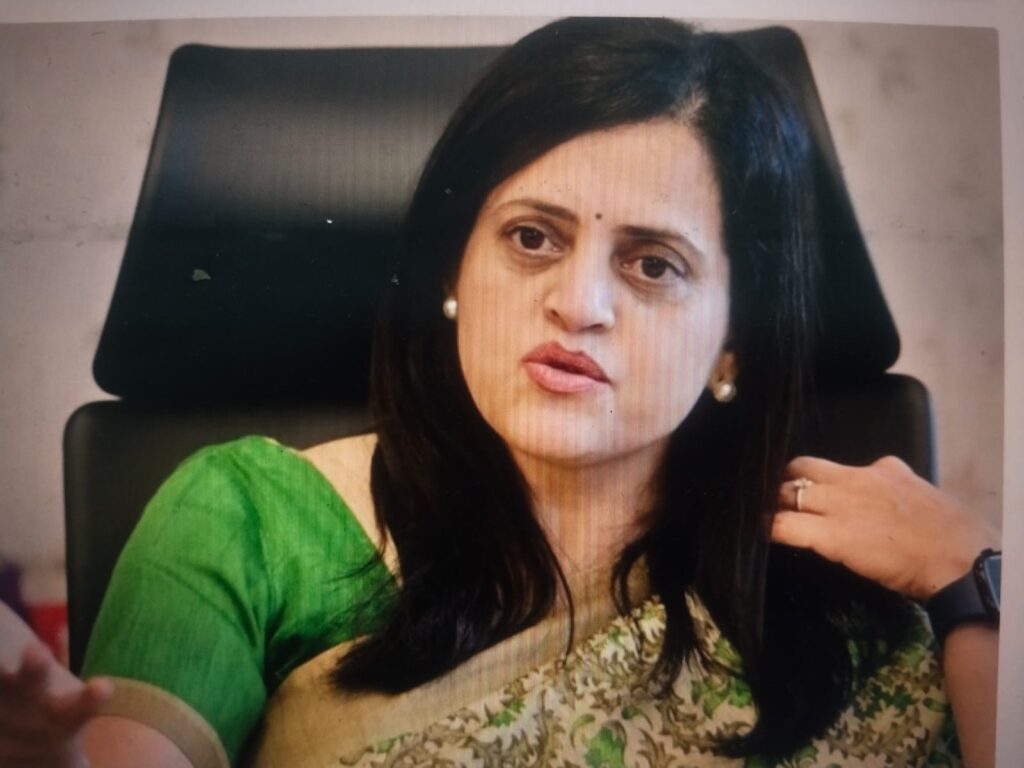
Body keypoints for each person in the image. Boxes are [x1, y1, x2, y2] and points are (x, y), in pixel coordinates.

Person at [0, 17, 999, 768]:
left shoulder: (856, 578)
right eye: (532, 237)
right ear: (455, 273)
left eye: (653, 264)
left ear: (732, 343)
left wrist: (977, 586)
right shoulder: (247, 519)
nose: (578, 304)